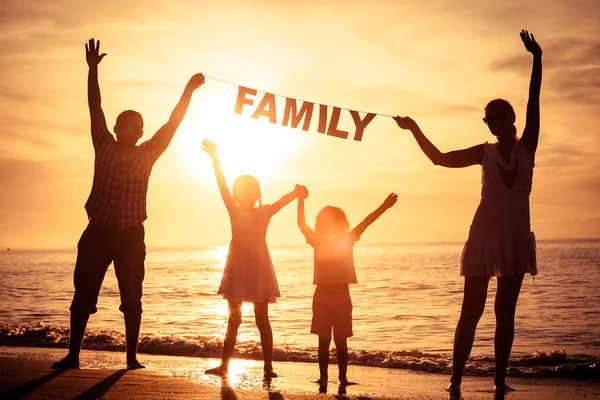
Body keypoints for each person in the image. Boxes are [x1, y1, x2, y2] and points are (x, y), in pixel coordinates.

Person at [393, 30, 542, 395]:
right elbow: (440, 159)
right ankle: (455, 379)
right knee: (470, 312)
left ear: (511, 120)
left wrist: (537, 57)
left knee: (505, 313)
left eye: (497, 117)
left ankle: (500, 380)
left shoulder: (528, 147)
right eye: (487, 120)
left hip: (515, 239)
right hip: (484, 238)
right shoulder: (484, 152)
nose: (492, 123)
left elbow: (534, 97)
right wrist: (414, 128)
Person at [52, 38, 205, 370]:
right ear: (117, 129)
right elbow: (95, 106)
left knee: (132, 299)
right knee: (83, 296)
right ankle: (73, 355)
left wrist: (189, 91)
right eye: (124, 125)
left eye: (136, 127)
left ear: (140, 133)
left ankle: (131, 358)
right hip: (98, 232)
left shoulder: (148, 154)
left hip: (131, 237)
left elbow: (173, 123)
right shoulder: (104, 144)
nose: (129, 131)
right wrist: (92, 70)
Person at [201, 139, 305, 378]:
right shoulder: (234, 210)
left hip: (258, 270)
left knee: (262, 320)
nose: (243, 195)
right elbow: (222, 184)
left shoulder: (264, 211)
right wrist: (215, 158)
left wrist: (296, 193)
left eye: (248, 191)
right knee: (233, 320)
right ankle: (224, 366)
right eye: (240, 191)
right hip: (237, 270)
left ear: (256, 194)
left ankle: (268, 367)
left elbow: (281, 202)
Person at [297, 188, 397, 391]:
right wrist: (300, 200)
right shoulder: (318, 240)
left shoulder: (348, 238)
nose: (329, 224)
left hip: (342, 297)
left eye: (332, 220)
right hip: (322, 297)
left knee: (341, 341)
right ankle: (323, 378)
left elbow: (367, 221)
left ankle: (342, 378)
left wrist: (385, 206)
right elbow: (301, 224)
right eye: (325, 221)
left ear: (340, 223)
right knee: (323, 341)